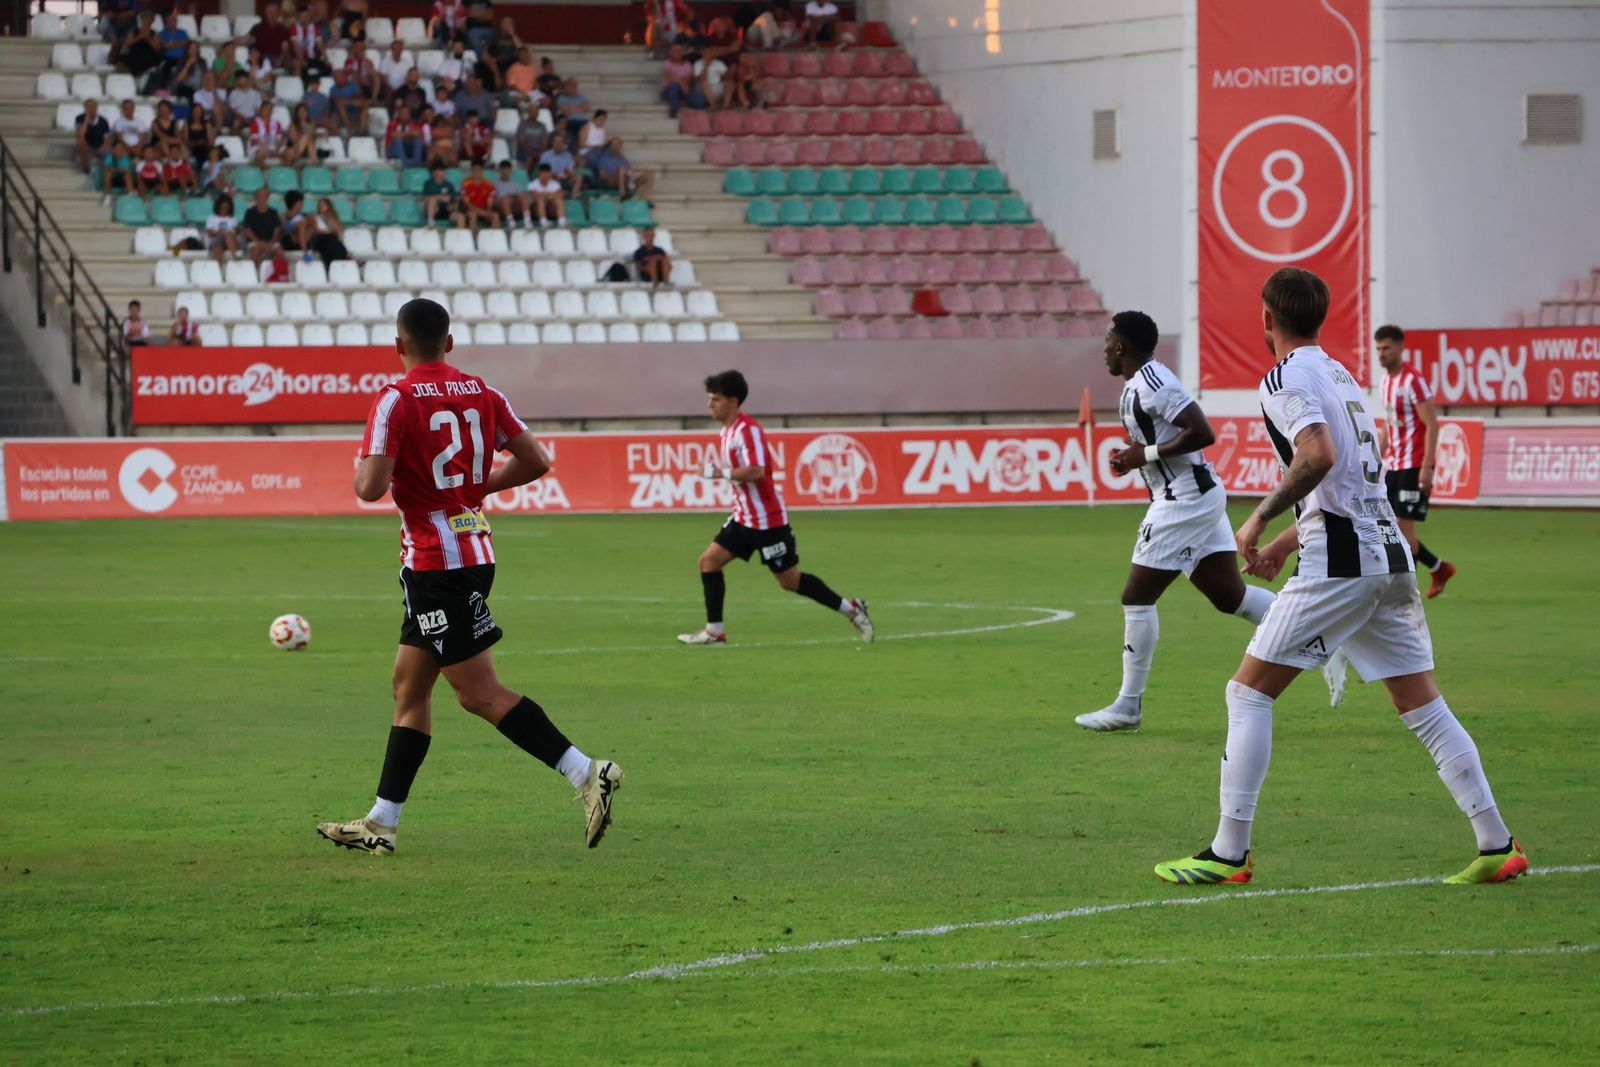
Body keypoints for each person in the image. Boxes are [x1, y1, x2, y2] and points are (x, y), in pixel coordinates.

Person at [1152, 266, 1525, 888]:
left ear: (1266, 319)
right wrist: (1281, 542)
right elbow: (1351, 483)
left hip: (1343, 563)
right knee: (1423, 705)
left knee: (1247, 693)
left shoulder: (1284, 376)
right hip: (1387, 557)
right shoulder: (1347, 377)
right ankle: (1496, 841)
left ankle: (1227, 853)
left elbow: (1318, 457)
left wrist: (1256, 520)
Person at [316, 298, 624, 856]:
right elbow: (535, 461)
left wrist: (369, 461)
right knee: (408, 689)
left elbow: (369, 488)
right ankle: (381, 823)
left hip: (438, 562)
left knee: (477, 693)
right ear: (450, 343)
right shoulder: (483, 392)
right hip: (472, 548)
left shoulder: (394, 398)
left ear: (397, 344)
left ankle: (587, 772)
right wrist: (478, 487)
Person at [1072, 312, 1285, 732]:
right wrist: (1132, 456)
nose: (1104, 351)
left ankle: (1128, 706)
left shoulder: (1154, 383)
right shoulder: (1137, 385)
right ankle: (1317, 628)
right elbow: (1159, 438)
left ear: (1121, 347)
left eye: (1108, 343)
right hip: (1195, 495)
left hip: (1184, 500)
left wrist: (1145, 456)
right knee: (1230, 597)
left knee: (1136, 596)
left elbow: (1202, 432)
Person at [677, 370, 874, 647]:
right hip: (744, 518)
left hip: (768, 521)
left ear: (733, 401)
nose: (710, 405)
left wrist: (718, 472)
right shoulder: (726, 432)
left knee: (789, 581)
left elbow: (757, 471)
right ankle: (714, 632)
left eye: (716, 399)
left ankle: (851, 609)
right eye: (709, 399)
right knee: (708, 562)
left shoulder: (748, 431)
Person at [1376, 325, 1456, 598]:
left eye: (1386, 348)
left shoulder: (1413, 381)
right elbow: (1389, 424)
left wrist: (1427, 466)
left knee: (1401, 527)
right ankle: (1437, 567)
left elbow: (1432, 425)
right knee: (1387, 526)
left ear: (1400, 347)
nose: (1381, 354)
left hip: (1413, 464)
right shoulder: (1386, 382)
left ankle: (1404, 589)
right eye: (1378, 349)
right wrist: (1376, 458)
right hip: (1394, 465)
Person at [587, 138, 653, 201]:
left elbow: (630, 174)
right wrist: (614, 174)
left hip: (626, 182)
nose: (615, 147)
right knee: (621, 170)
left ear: (621, 146)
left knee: (650, 174)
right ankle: (622, 195)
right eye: (614, 145)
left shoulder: (623, 160)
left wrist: (628, 175)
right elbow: (602, 175)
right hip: (612, 181)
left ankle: (644, 198)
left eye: (617, 145)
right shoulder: (605, 158)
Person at [660, 44, 705, 118]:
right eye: (674, 51)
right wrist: (682, 83)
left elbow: (687, 79)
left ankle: (697, 115)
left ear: (683, 53)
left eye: (679, 51)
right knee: (674, 86)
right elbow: (671, 78)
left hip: (684, 89)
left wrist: (683, 84)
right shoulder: (667, 63)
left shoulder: (687, 64)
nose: (677, 53)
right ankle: (674, 110)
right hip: (669, 91)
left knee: (698, 98)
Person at [242, 187, 284, 264]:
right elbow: (247, 230)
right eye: (260, 196)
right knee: (255, 252)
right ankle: (254, 274)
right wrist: (259, 242)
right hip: (255, 242)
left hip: (271, 242)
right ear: (256, 198)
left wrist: (271, 242)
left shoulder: (273, 212)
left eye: (265, 196)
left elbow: (277, 229)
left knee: (280, 252)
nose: (263, 198)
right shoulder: (250, 212)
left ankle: (279, 275)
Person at [458, 162, 501, 234]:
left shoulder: (489, 184)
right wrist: (481, 212)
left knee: (495, 216)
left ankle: (493, 239)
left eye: (479, 170)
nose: (477, 172)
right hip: (470, 210)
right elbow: (467, 204)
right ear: (471, 171)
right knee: (473, 215)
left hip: (484, 210)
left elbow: (490, 202)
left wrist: (487, 211)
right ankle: (473, 241)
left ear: (483, 171)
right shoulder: (465, 183)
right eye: (474, 170)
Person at [75, 99, 110, 173]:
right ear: (85, 108)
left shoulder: (103, 121)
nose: (92, 109)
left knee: (108, 155)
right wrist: (86, 120)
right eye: (89, 107)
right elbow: (80, 134)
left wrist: (102, 148)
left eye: (94, 106)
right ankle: (86, 167)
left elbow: (107, 138)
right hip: (87, 146)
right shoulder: (79, 118)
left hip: (100, 145)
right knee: (80, 141)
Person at [526, 162, 565, 227]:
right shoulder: (532, 185)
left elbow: (561, 195)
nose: (545, 176)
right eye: (543, 174)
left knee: (559, 201)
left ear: (550, 174)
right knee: (540, 200)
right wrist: (549, 195)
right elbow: (534, 196)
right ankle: (543, 222)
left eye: (547, 173)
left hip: (550, 210)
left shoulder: (555, 184)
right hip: (535, 211)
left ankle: (562, 221)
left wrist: (548, 195)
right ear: (539, 174)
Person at [328, 68, 367, 134]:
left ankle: (363, 132)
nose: (339, 79)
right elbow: (338, 100)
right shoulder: (333, 89)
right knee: (340, 105)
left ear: (345, 76)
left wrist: (348, 101)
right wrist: (352, 101)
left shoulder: (354, 86)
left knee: (364, 107)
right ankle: (350, 130)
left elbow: (360, 99)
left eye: (341, 76)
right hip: (339, 113)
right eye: (337, 77)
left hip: (355, 110)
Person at [555, 77, 591, 145]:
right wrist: (580, 108)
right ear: (567, 87)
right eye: (572, 86)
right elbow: (565, 110)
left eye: (575, 85)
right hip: (570, 122)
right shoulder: (562, 98)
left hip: (583, 122)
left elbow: (587, 108)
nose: (574, 88)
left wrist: (572, 108)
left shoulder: (582, 97)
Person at [206, 193, 240, 260]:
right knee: (217, 247)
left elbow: (237, 232)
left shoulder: (233, 219)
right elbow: (209, 233)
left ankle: (234, 255)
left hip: (231, 240)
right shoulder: (211, 218)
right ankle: (220, 267)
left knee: (228, 235)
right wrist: (221, 233)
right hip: (216, 240)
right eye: (222, 207)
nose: (224, 209)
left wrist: (228, 233)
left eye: (226, 207)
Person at [492, 160, 526, 225]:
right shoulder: (494, 184)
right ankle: (510, 221)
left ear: (510, 170)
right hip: (501, 209)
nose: (505, 172)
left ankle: (527, 219)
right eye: (503, 169)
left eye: (507, 169)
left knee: (522, 196)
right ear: (500, 170)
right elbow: (493, 199)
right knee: (505, 199)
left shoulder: (515, 185)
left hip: (515, 208)